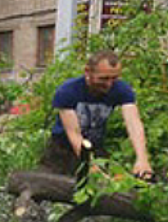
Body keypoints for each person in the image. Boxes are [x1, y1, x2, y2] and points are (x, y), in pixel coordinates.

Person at [43, 50, 153, 180]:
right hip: (63, 148)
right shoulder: (67, 91)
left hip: (95, 145)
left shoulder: (122, 90)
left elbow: (134, 124)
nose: (109, 84)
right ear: (87, 72)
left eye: (114, 78)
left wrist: (142, 159)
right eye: (104, 78)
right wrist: (91, 166)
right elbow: (74, 134)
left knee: (105, 187)